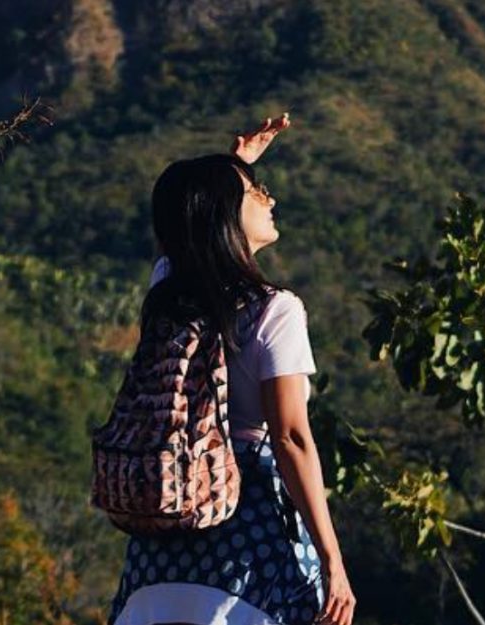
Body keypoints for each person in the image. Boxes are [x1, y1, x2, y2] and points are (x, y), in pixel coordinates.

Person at [106, 116, 356, 625]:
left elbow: (182, 236)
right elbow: (290, 439)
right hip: (251, 533)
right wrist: (333, 560)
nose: (270, 198)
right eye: (256, 191)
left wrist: (235, 166)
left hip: (165, 538)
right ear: (226, 213)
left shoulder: (167, 298)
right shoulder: (276, 311)